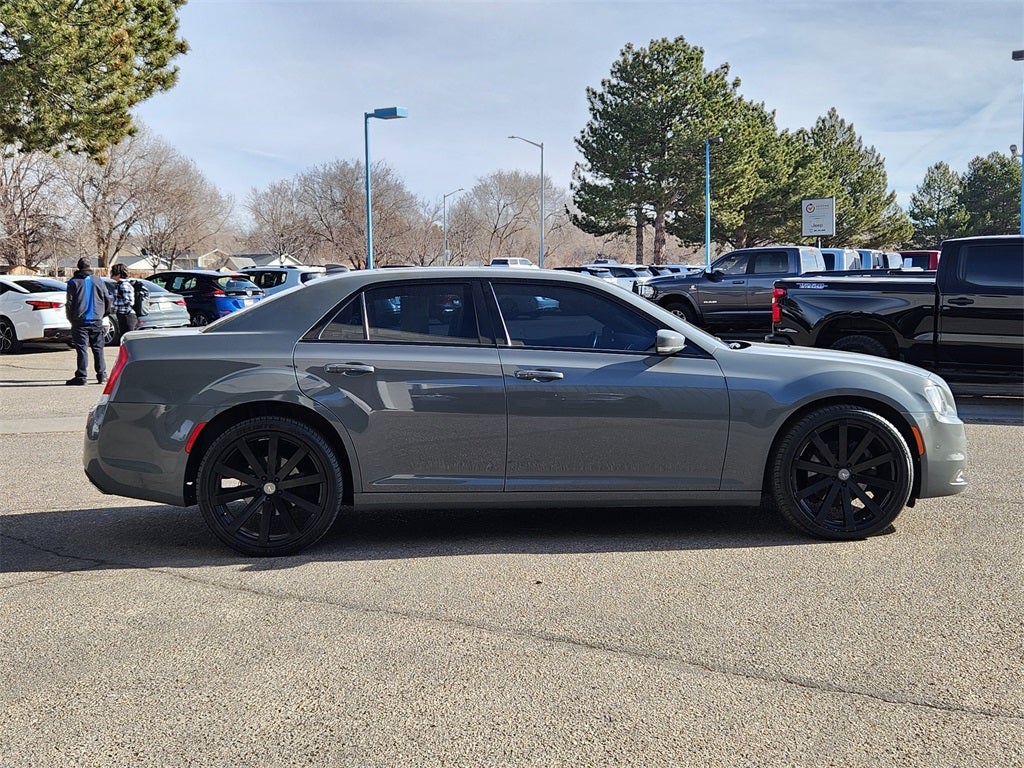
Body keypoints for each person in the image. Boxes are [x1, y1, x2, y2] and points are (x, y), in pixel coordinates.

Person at [65, 256, 112, 386]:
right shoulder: (98, 281)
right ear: (90, 266)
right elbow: (108, 298)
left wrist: (70, 317)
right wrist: (104, 313)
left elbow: (69, 302)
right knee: (98, 348)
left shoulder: (73, 282)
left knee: (82, 349)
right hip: (96, 319)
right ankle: (102, 375)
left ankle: (82, 376)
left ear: (78, 267)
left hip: (80, 320)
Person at [110, 263, 137, 339]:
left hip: (128, 316)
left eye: (113, 271)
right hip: (122, 315)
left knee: (129, 339)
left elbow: (130, 302)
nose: (111, 273)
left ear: (118, 274)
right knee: (124, 339)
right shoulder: (118, 285)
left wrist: (114, 303)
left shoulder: (124, 285)